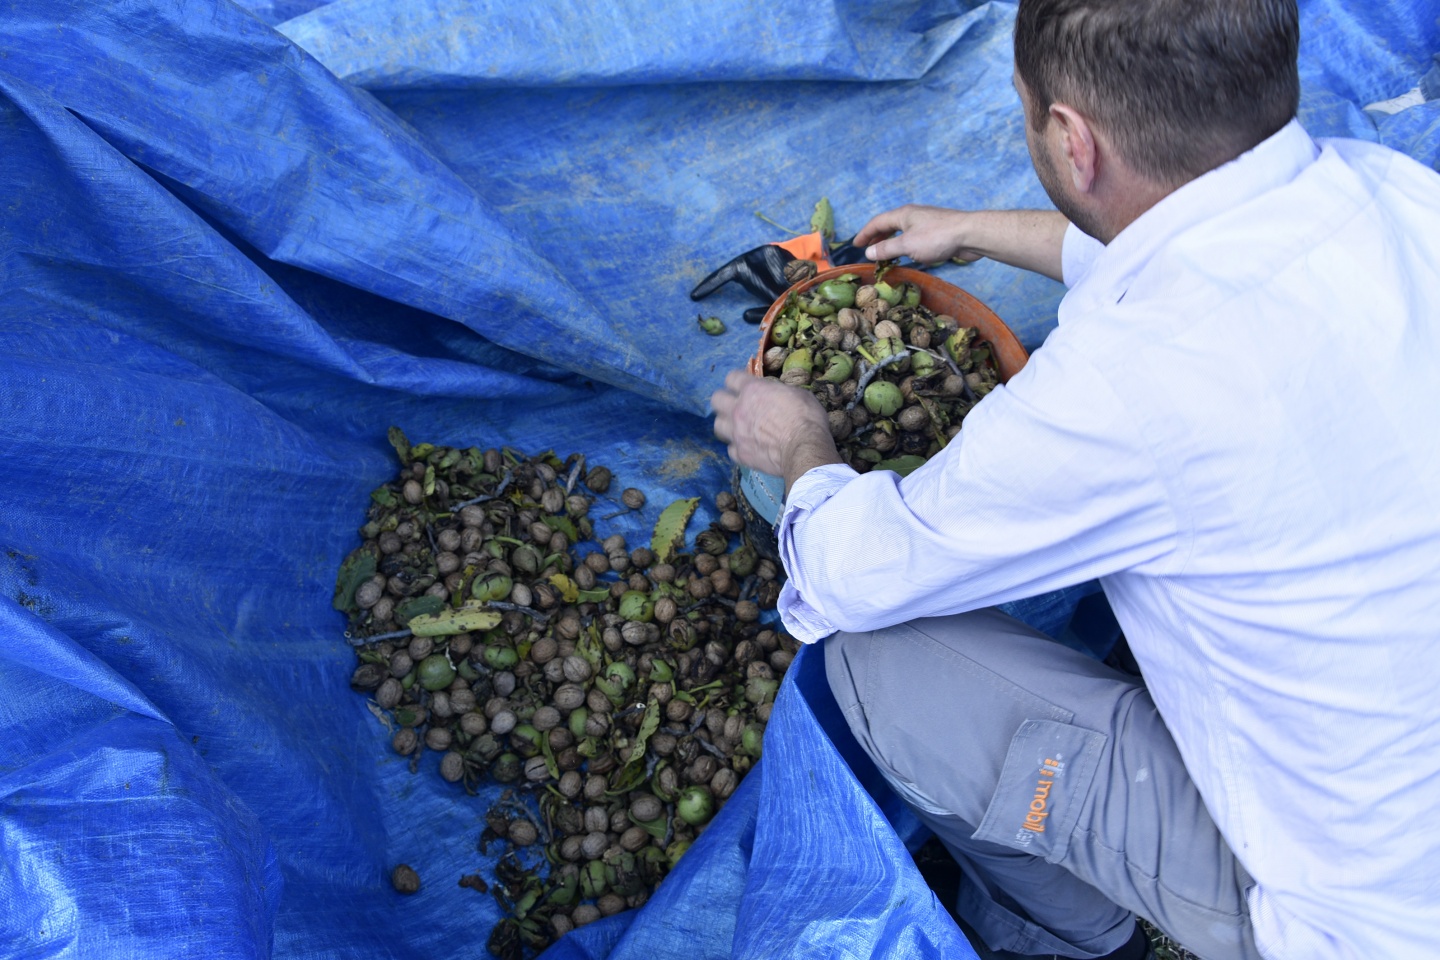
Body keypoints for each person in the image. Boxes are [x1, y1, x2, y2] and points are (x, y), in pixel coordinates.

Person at [709, 0, 1440, 958]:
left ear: (1069, 138)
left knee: (876, 660)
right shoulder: (1397, 191)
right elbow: (1180, 246)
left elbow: (852, 573)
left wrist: (801, 441)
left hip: (1367, 919)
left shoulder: (1123, 383)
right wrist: (977, 230)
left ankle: (1078, 935)